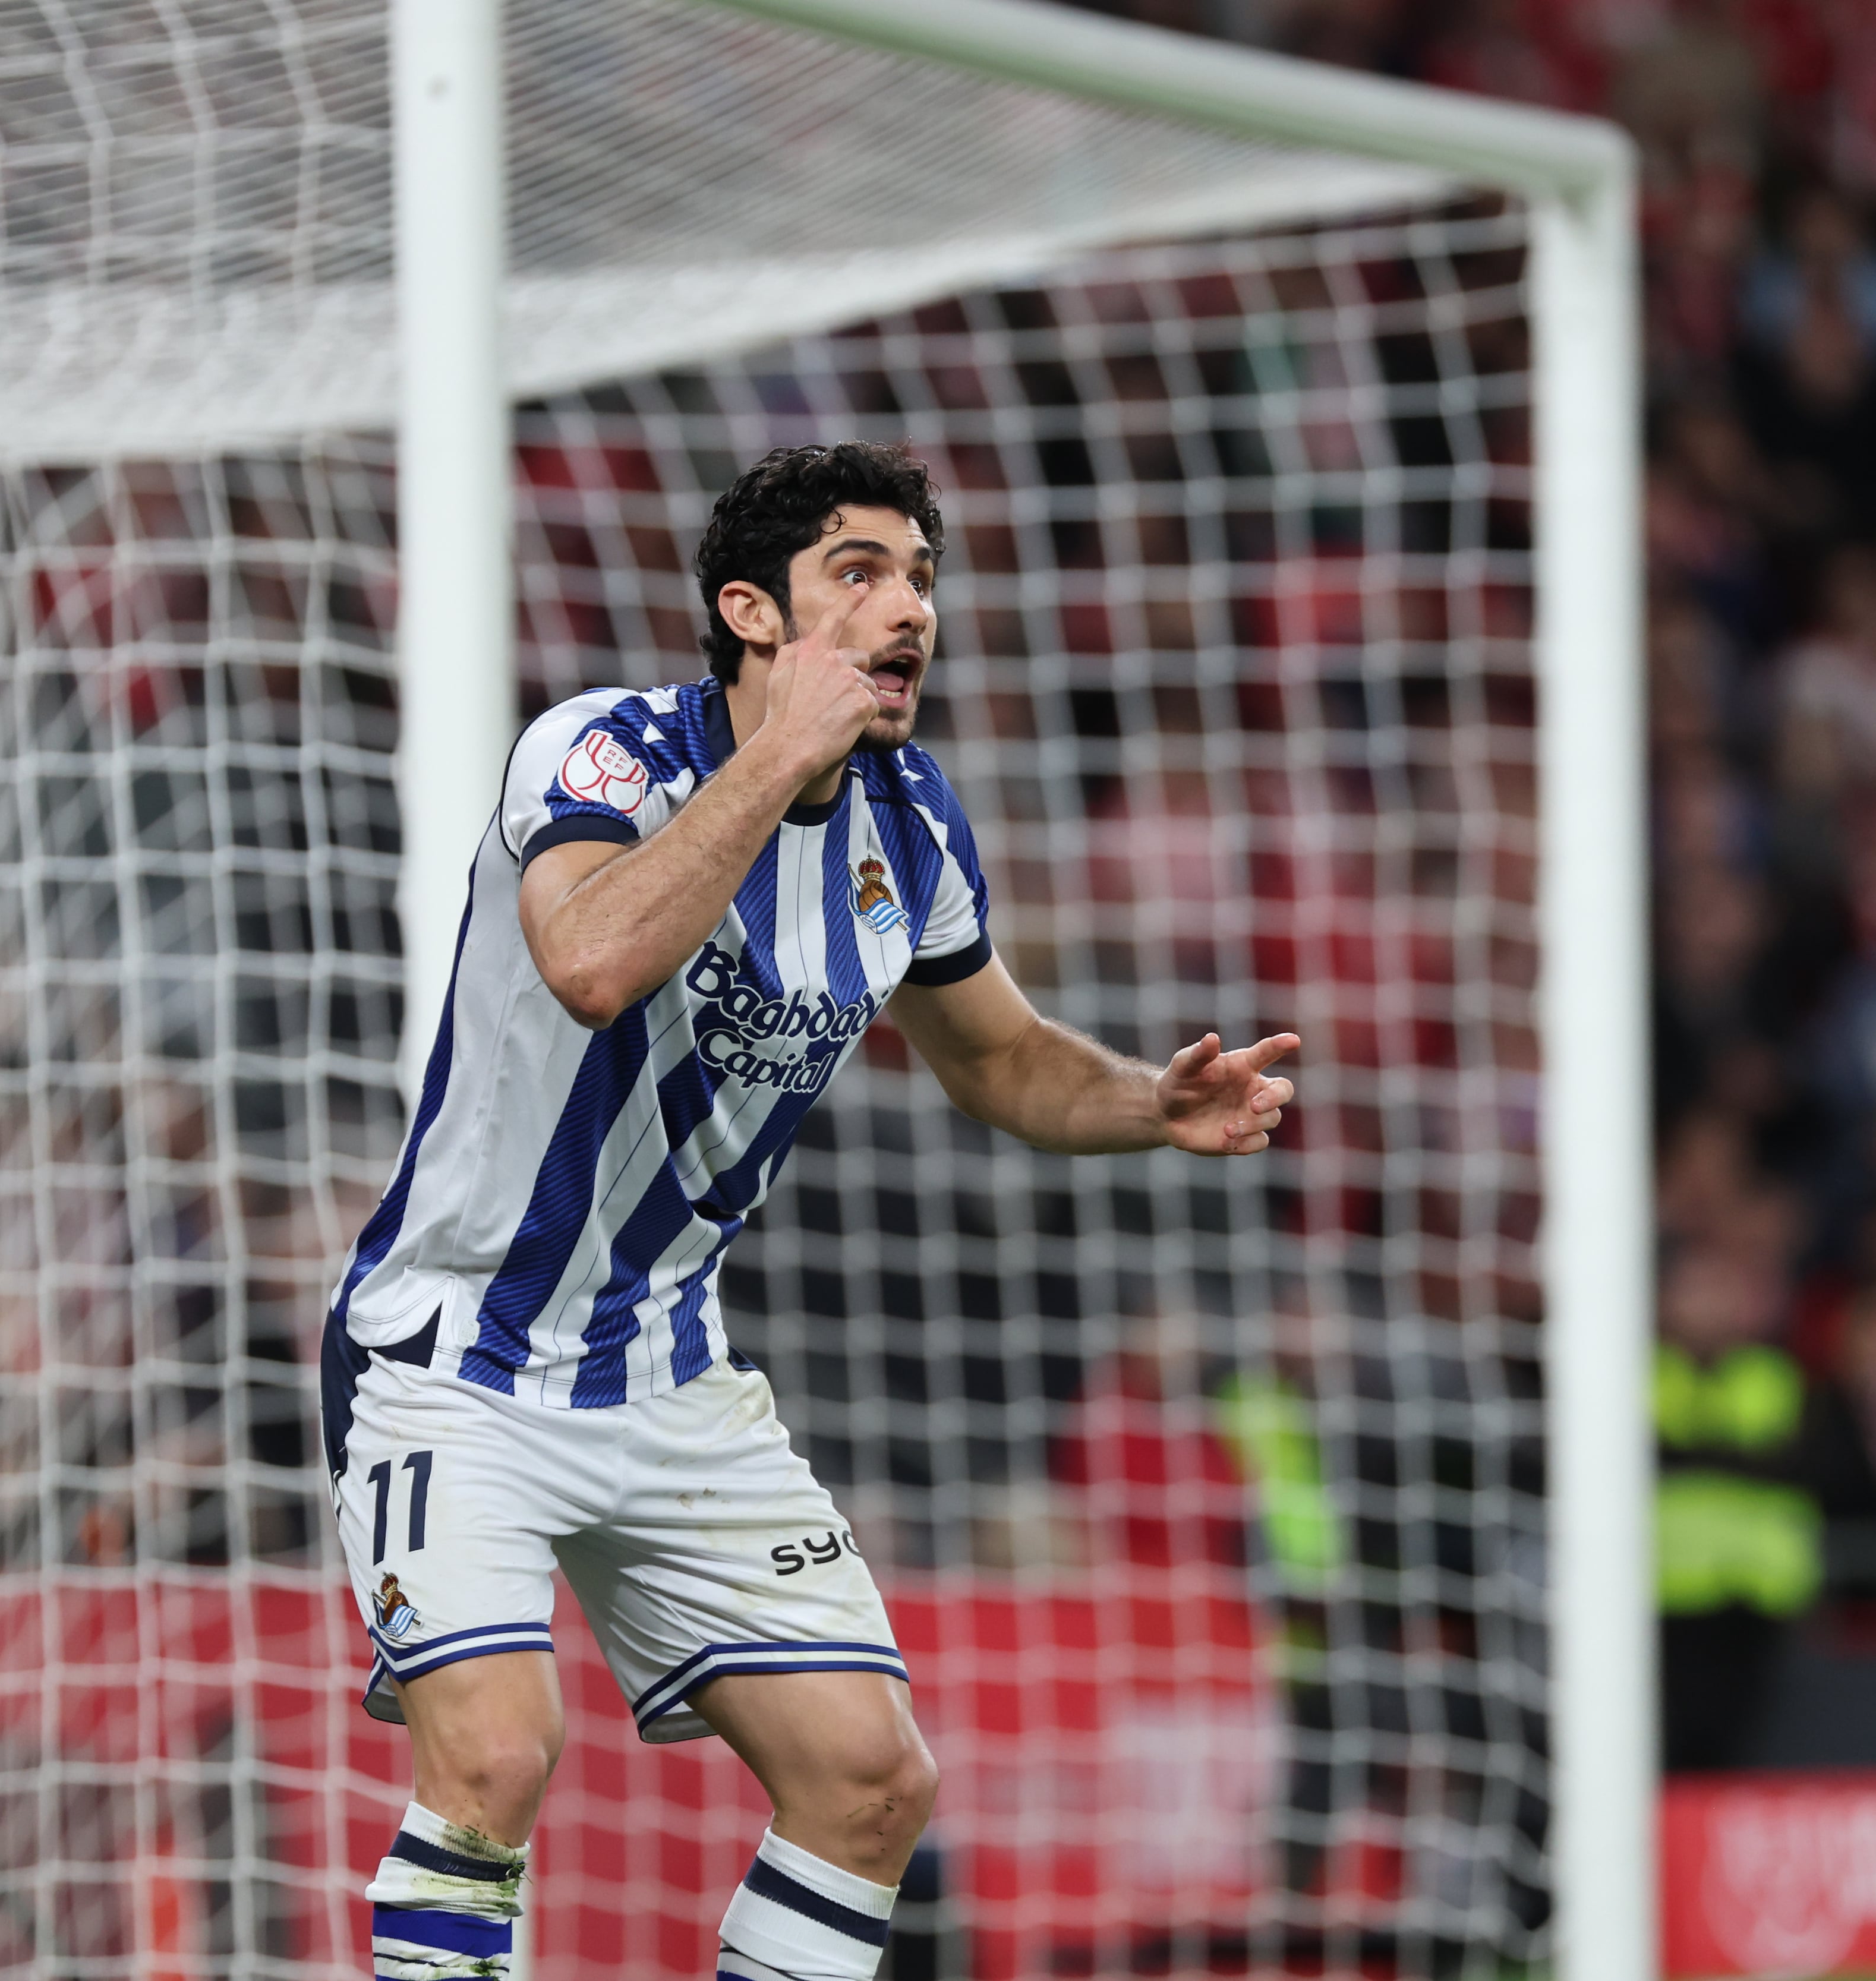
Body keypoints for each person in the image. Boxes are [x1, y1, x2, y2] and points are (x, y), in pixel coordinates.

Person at [317, 442, 1299, 1981]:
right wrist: (779, 759)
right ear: (751, 613)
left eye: (921, 578)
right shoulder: (603, 754)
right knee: (498, 1756)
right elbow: (590, 963)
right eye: (860, 573)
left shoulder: (910, 827)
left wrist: (1146, 1105)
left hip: (668, 1372)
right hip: (457, 1359)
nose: (909, 608)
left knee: (871, 1781)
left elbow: (1003, 1061)